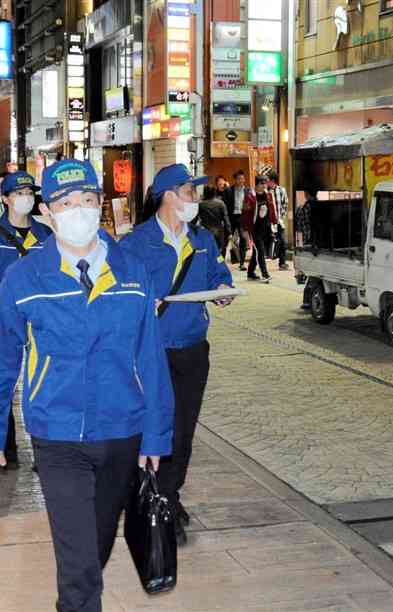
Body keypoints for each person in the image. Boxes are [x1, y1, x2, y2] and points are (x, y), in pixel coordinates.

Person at [0, 159, 173, 612]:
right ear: (47, 211)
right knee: (81, 564)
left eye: (86, 200)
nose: (77, 210)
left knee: (95, 547)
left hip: (123, 430)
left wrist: (156, 434)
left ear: (100, 205)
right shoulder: (25, 277)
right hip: (57, 434)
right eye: (66, 203)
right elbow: (1, 361)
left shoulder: (132, 271)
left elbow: (152, 358)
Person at [120, 163, 234, 546]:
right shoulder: (135, 244)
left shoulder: (203, 240)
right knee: (156, 428)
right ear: (169, 195)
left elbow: (220, 275)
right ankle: (157, 498)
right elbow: (119, 290)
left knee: (183, 431)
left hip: (192, 350)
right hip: (153, 353)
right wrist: (139, 303)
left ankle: (170, 494)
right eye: (190, 191)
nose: (195, 199)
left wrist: (222, 289)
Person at [0, 170, 52, 468]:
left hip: (42, 323)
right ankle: (5, 447)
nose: (25, 198)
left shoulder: (47, 235)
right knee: (0, 381)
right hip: (3, 323)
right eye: (18, 194)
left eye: (29, 193)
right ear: (5, 199)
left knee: (41, 381)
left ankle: (46, 447)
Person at [242, 175, 278, 283]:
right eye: (262, 184)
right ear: (256, 184)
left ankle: (250, 272)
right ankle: (265, 273)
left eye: (265, 183)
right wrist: (245, 229)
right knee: (260, 250)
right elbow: (245, 214)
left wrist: (274, 222)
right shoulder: (250, 197)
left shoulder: (269, 195)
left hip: (265, 227)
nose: (264, 186)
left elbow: (272, 209)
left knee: (257, 252)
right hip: (254, 228)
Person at [227, 170, 251, 270]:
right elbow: (227, 205)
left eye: (242, 178)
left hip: (242, 217)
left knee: (243, 238)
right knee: (226, 239)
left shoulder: (247, 190)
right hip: (232, 217)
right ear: (235, 180)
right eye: (239, 179)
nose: (241, 180)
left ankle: (242, 263)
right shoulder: (229, 190)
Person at [199, 186, 232, 252]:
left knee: (207, 251)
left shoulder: (200, 204)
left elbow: (195, 219)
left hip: (205, 231)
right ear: (214, 193)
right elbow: (226, 219)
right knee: (220, 251)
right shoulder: (220, 203)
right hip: (218, 231)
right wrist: (229, 232)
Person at [268, 171, 290, 270]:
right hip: (269, 222)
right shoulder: (266, 192)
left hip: (279, 221)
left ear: (273, 181)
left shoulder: (281, 190)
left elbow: (285, 203)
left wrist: (281, 216)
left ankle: (282, 263)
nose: (266, 183)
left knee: (282, 241)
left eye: (268, 180)